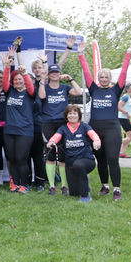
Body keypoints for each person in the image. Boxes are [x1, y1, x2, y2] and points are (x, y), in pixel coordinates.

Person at [78, 41, 131, 200]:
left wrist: (128, 54)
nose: (103, 79)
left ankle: (116, 189)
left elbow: (124, 73)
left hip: (112, 129)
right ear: (98, 79)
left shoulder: (115, 90)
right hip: (95, 129)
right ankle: (105, 185)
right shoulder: (93, 89)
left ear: (110, 79)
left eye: (106, 77)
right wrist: (81, 54)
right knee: (101, 159)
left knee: (112, 158)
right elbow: (86, 71)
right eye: (101, 77)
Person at [38, 64, 83, 195]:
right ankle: (52, 186)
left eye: (56, 72)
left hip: (63, 124)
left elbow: (79, 92)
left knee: (63, 154)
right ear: (49, 74)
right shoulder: (45, 87)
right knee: (50, 152)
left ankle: (64, 185)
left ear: (60, 73)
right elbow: (41, 96)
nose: (54, 74)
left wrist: (70, 79)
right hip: (48, 123)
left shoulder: (65, 87)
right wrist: (42, 79)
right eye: (51, 72)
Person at [47, 105, 102, 202]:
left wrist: (96, 140)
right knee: (74, 193)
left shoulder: (84, 126)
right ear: (66, 116)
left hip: (86, 160)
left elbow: (92, 133)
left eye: (75, 113)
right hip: (71, 163)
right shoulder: (63, 128)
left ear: (79, 115)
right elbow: (57, 136)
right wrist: (51, 142)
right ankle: (85, 181)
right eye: (70, 113)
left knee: (79, 166)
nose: (72, 116)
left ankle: (86, 196)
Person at [2, 48, 36, 194]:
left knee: (21, 159)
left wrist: (24, 73)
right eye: (15, 79)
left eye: (19, 79)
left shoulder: (30, 93)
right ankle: (15, 184)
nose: (17, 81)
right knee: (12, 159)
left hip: (25, 131)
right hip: (9, 130)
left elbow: (30, 86)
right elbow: (5, 82)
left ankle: (24, 185)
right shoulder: (10, 91)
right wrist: (7, 67)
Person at [118, 83, 131, 158]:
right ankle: (116, 144)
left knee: (130, 137)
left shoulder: (129, 97)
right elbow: (119, 107)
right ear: (127, 89)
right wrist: (126, 113)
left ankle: (121, 152)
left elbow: (127, 108)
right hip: (123, 118)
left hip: (125, 118)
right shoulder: (125, 97)